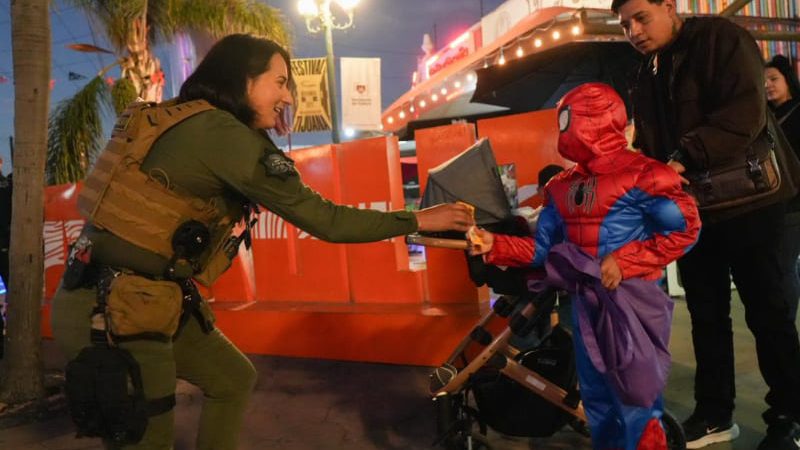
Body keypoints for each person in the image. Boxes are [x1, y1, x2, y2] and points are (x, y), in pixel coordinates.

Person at [50, 34, 474, 450]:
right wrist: (418, 217)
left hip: (132, 295)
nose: (288, 97)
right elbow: (326, 221)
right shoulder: (221, 133)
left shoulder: (188, 117)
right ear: (242, 80)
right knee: (148, 437)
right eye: (281, 81)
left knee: (231, 377)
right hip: (117, 309)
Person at [471, 82, 701, 450]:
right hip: (585, 301)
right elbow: (544, 250)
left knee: (636, 397)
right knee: (596, 398)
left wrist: (625, 261)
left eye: (568, 119)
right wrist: (495, 244)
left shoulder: (646, 174)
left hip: (632, 300)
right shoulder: (562, 186)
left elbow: (686, 228)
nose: (564, 128)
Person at [612, 0, 800, 448]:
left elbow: (744, 115)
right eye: (624, 25)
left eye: (641, 17)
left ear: (669, 6)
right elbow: (655, 144)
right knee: (705, 313)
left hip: (753, 201)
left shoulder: (720, 38)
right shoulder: (645, 70)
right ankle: (715, 414)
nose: (634, 31)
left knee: (768, 311)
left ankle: (790, 416)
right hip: (693, 211)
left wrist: (679, 160)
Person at [766, 55, 800, 319]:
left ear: (788, 80)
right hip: (770, 200)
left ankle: (785, 321)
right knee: (776, 266)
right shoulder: (761, 116)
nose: (768, 85)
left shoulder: (798, 111)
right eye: (763, 80)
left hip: (794, 202)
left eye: (774, 79)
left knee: (784, 265)